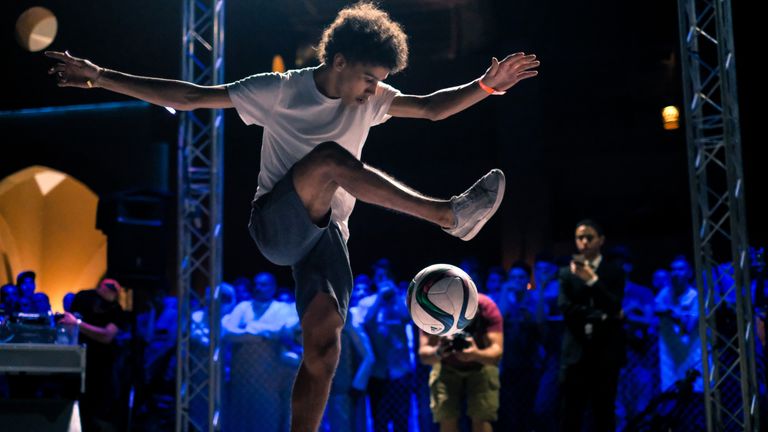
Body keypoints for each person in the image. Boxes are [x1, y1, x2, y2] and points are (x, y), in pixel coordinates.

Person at [46, 3, 539, 429]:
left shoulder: (372, 98)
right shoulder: (279, 90)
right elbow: (191, 97)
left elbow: (431, 108)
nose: (374, 91)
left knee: (325, 348)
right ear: (339, 61)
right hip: (276, 224)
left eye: (381, 82)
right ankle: (447, 215)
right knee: (329, 161)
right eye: (369, 79)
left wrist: (486, 86)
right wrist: (101, 75)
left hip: (328, 238)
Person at [557, 219, 625, 432]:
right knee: (570, 413)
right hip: (575, 354)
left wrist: (592, 281)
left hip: (605, 355)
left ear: (601, 240)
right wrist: (600, 315)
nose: (584, 242)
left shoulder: (614, 271)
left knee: (604, 413)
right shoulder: (566, 273)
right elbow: (565, 307)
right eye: (580, 238)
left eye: (589, 237)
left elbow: (614, 305)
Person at [418, 293, 504, 432]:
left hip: (481, 364)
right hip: (445, 365)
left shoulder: (486, 307)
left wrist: (476, 354)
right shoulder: (433, 310)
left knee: (482, 417)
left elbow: (497, 353)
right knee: (446, 416)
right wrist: (439, 351)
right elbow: (424, 355)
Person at [59, 278, 127, 432]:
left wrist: (78, 324)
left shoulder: (116, 310)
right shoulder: (84, 297)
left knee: (96, 408)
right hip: (77, 361)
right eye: (110, 287)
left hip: (102, 365)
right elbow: (68, 323)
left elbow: (107, 336)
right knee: (75, 404)